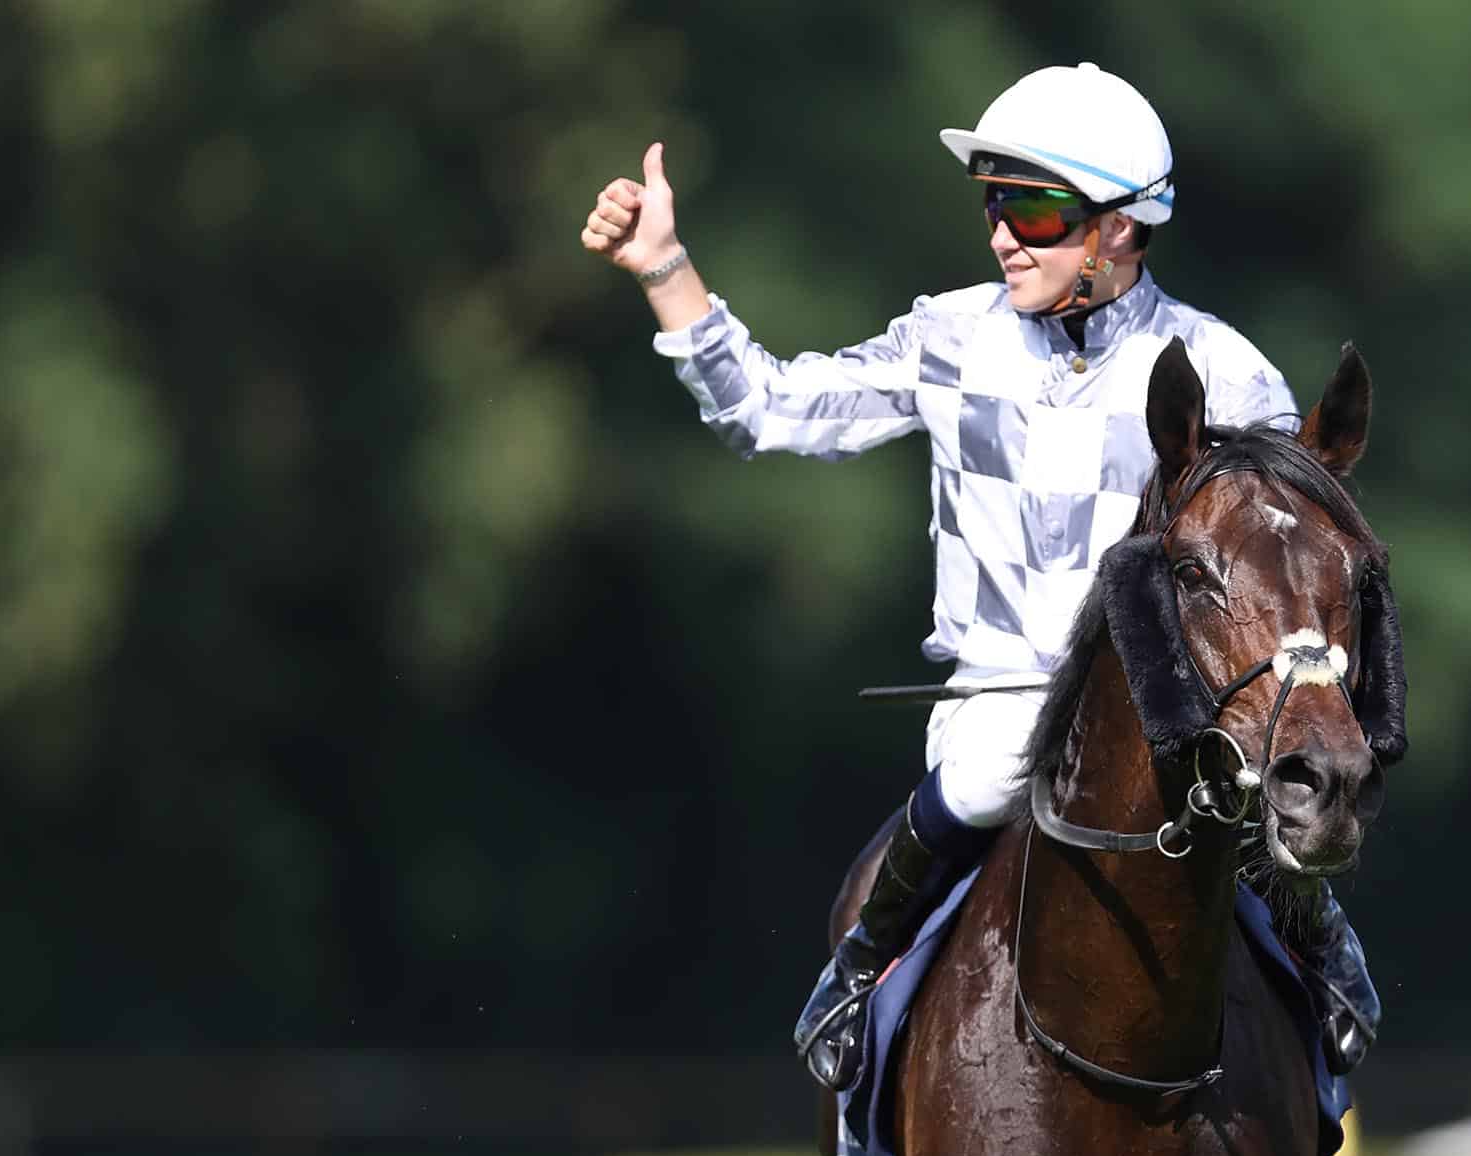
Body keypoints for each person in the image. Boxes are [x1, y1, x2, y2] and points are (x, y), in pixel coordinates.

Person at [580, 62, 1379, 1091]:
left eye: (1034, 209)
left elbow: (1275, 558)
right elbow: (764, 411)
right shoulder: (949, 338)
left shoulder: (1224, 369)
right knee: (1000, 756)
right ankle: (861, 960)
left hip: (1166, 710)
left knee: (1254, 779)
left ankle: (1317, 932)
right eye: (995, 204)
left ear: (1118, 228)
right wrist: (664, 268)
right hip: (998, 695)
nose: (1003, 233)